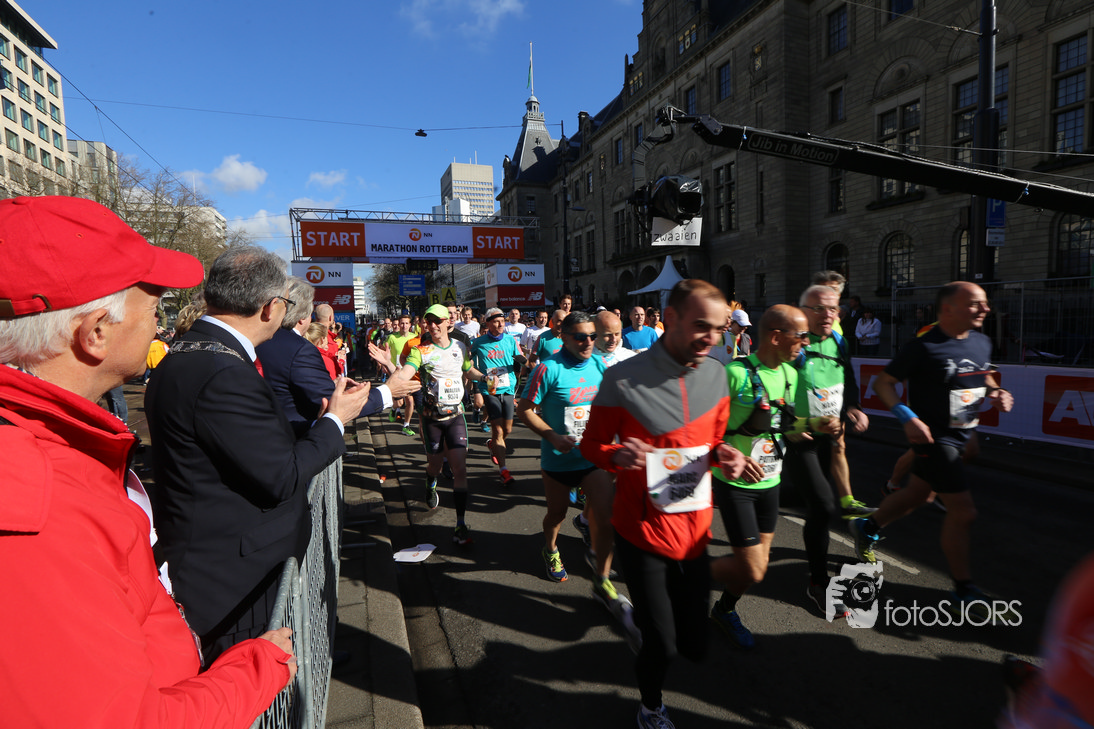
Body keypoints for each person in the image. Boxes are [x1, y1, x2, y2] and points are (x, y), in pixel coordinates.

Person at [0, 196, 296, 728]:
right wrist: (260, 666)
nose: (161, 324)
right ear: (95, 332)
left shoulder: (47, 450)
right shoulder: (31, 502)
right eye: (153, 307)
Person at [146, 246, 374, 664]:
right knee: (254, 681)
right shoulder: (223, 373)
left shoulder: (192, 353)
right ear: (271, 307)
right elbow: (281, 475)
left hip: (218, 563)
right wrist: (335, 420)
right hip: (238, 580)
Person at [581, 279, 750, 729]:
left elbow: (713, 440)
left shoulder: (717, 373)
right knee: (663, 645)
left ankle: (645, 626)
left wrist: (725, 454)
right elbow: (591, 444)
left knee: (694, 643)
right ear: (670, 318)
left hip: (694, 532)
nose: (711, 338)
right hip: (641, 532)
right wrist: (617, 454)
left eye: (719, 328)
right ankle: (650, 707)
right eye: (701, 326)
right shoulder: (622, 378)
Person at [849, 282, 1014, 617]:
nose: (985, 309)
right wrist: (907, 418)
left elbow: (985, 376)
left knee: (918, 495)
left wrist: (996, 392)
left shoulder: (981, 340)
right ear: (949, 308)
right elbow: (882, 383)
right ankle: (963, 589)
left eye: (985, 303)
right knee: (964, 512)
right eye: (976, 303)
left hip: (962, 431)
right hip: (933, 439)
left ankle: (867, 527)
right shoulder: (924, 346)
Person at [709, 305, 836, 648]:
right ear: (777, 337)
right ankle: (683, 569)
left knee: (758, 567)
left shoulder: (791, 374)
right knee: (752, 568)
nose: (806, 343)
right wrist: (725, 450)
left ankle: (723, 609)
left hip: (770, 482)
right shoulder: (735, 374)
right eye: (801, 336)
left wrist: (816, 424)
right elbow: (704, 429)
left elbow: (784, 424)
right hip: (734, 483)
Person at [785, 285, 872, 617]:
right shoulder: (793, 343)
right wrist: (795, 424)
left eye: (833, 309)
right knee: (822, 507)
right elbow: (772, 391)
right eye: (819, 308)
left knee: (813, 501)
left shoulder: (838, 340)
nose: (827, 315)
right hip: (800, 437)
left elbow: (847, 375)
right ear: (804, 310)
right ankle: (818, 583)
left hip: (829, 434)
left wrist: (853, 406)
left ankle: (762, 498)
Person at [376, 304, 484, 546]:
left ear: (448, 322)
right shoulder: (420, 351)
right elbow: (404, 375)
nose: (433, 325)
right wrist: (389, 366)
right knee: (435, 464)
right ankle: (430, 481)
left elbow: (469, 371)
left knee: (460, 469)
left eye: (438, 321)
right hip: (431, 419)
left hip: (456, 416)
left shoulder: (460, 347)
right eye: (429, 321)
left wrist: (485, 377)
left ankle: (460, 523)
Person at [256, 276, 414, 426]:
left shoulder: (262, 340)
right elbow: (334, 406)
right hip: (296, 435)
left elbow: (289, 387)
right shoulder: (300, 349)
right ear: (302, 317)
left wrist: (328, 384)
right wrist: (388, 391)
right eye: (310, 314)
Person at [470, 307, 527, 485]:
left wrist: (527, 363)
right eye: (496, 321)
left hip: (508, 387)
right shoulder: (478, 342)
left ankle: (493, 444)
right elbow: (467, 362)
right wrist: (476, 383)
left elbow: (520, 357)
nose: (501, 324)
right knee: (498, 430)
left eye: (502, 321)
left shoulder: (510, 340)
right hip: (489, 389)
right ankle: (504, 470)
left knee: (507, 429)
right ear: (488, 324)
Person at [386, 314, 417, 436]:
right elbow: (384, 351)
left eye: (406, 323)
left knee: (410, 400)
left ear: (410, 325)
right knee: (399, 403)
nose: (404, 326)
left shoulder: (414, 338)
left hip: (410, 374)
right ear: (399, 324)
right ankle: (394, 409)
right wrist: (384, 365)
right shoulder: (392, 338)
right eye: (402, 323)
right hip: (396, 373)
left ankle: (406, 425)